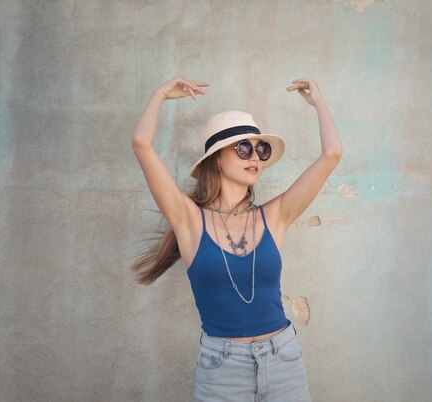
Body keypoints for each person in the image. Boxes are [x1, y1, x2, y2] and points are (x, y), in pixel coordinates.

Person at [130, 75, 342, 401]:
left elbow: (332, 154)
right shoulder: (189, 220)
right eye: (243, 148)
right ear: (217, 157)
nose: (255, 156)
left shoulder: (275, 215)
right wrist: (159, 94)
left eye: (261, 149)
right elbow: (141, 145)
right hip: (221, 369)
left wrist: (319, 103)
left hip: (283, 359)